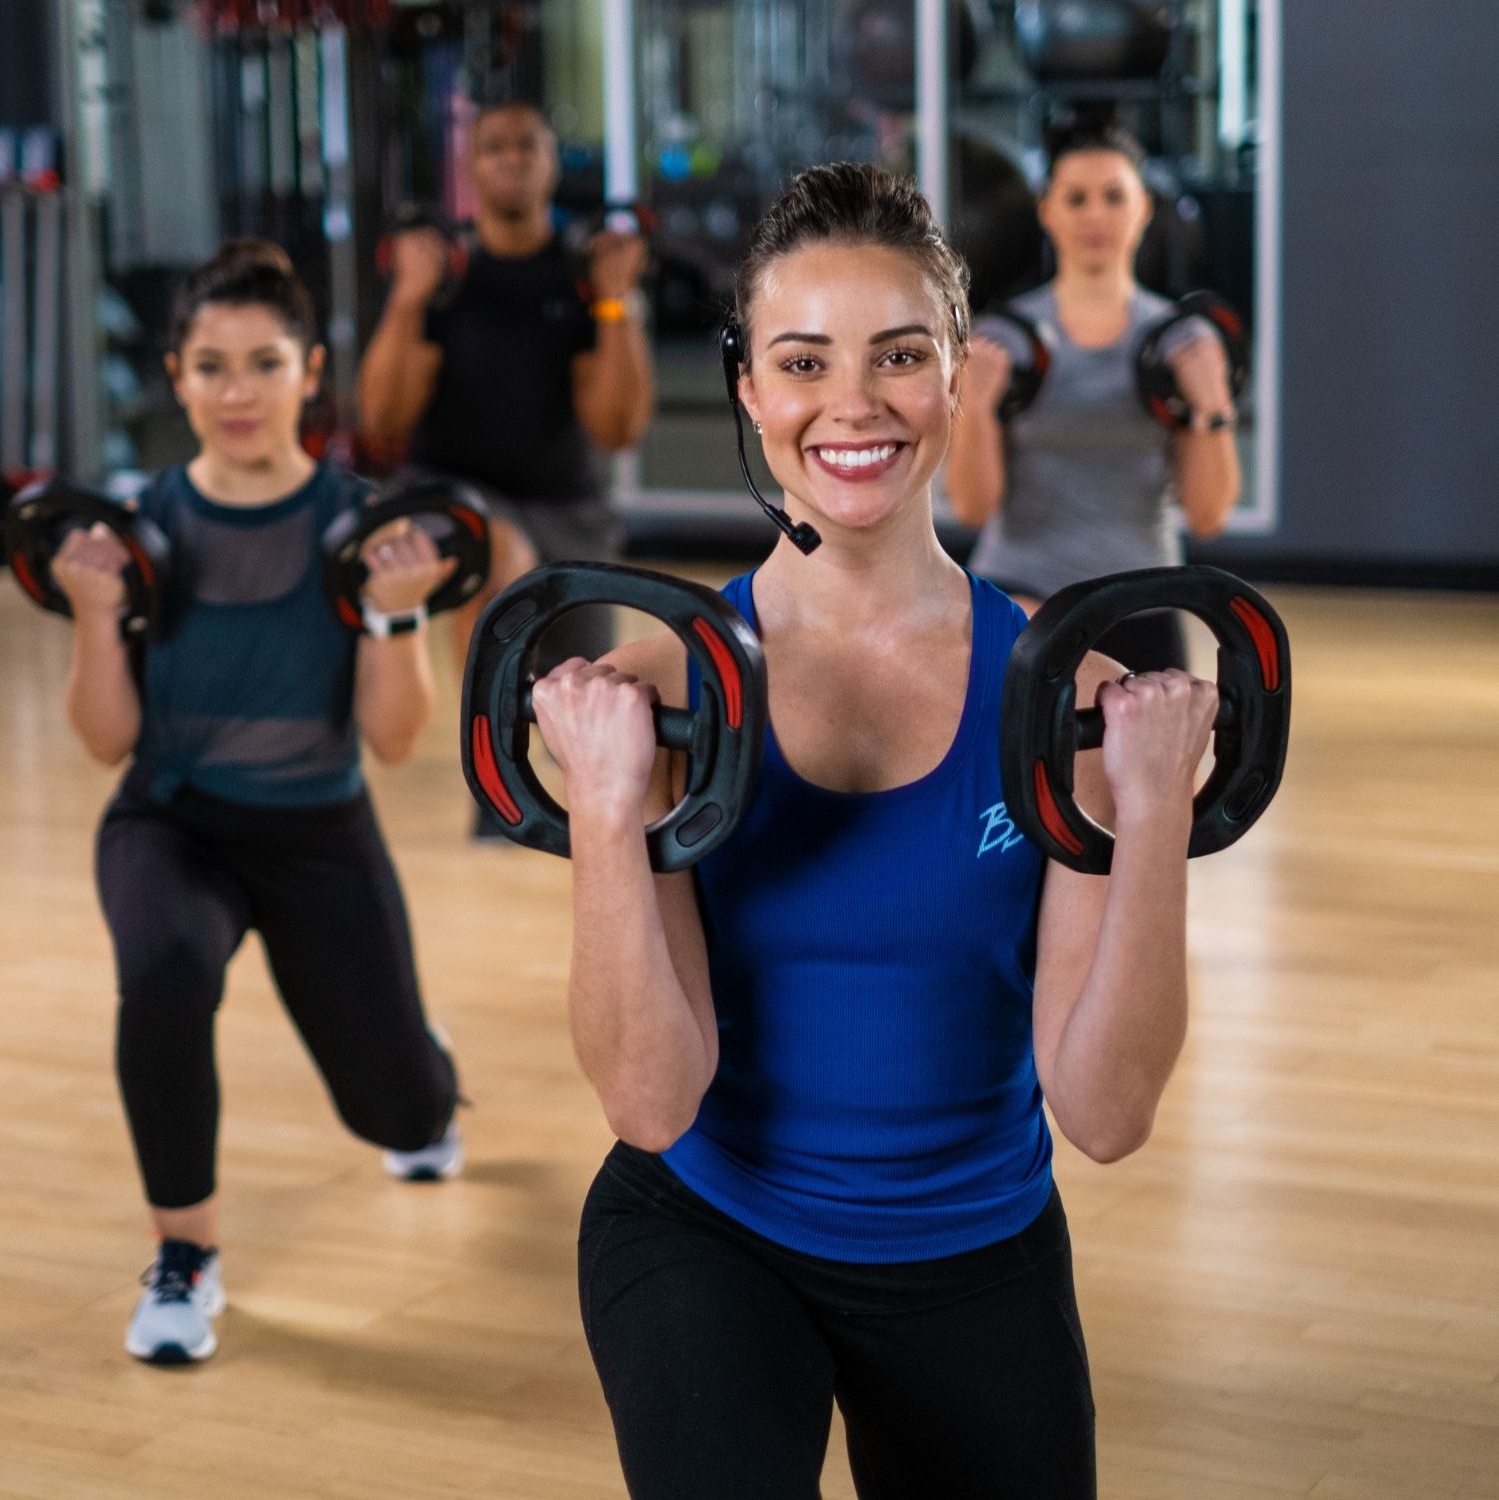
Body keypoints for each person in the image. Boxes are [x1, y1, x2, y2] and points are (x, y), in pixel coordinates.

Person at [528, 164, 1219, 1499]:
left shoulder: (1060, 697)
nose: (853, 406)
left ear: (961, 375)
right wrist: (610, 815)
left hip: (973, 1253)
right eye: (804, 361)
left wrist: (1151, 828)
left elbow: (1107, 1112)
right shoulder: (669, 692)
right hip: (706, 1232)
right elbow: (648, 1100)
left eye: (900, 356)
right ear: (749, 390)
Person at [53, 240, 464, 1367]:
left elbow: (392, 739)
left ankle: (418, 1069)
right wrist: (95, 617)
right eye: (212, 366)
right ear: (177, 377)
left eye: (264, 363)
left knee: (405, 1117)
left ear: (309, 373)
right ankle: (185, 1259)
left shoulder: (362, 524)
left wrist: (396, 614)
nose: (238, 392)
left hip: (318, 831)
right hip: (172, 821)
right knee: (165, 973)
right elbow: (105, 744)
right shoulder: (138, 527)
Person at [356, 99, 654, 681]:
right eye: (495, 147)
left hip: (565, 507)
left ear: (551, 163)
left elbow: (617, 431)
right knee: (499, 554)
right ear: (469, 166)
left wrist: (618, 301)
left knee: (580, 689)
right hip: (450, 498)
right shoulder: (446, 277)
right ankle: (485, 750)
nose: (512, 159)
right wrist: (407, 298)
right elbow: (381, 421)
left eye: (528, 145)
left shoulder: (581, 276)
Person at [946, 121, 1241, 671]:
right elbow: (971, 507)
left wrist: (1211, 407)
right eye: (1076, 199)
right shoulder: (1001, 339)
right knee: (1012, 756)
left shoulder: (1182, 344)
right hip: (1023, 597)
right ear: (1047, 210)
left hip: (1144, 599)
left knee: (1157, 755)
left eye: (1113, 196)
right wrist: (978, 411)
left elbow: (1207, 517)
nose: (1095, 216)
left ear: (1144, 208)